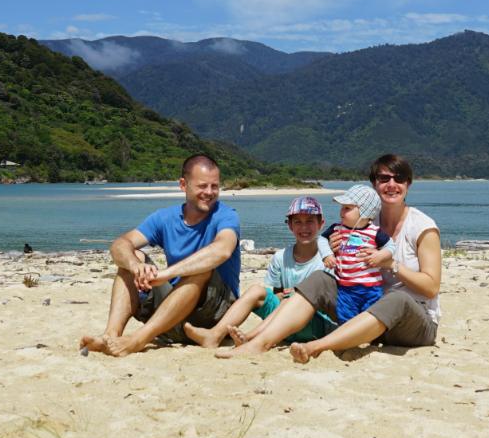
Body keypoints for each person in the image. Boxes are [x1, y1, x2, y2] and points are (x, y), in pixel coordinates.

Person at [217, 153, 441, 362]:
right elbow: (342, 264)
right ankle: (259, 342)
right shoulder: (360, 222)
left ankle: (315, 348)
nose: (391, 184)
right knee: (320, 279)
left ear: (408, 184)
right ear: (374, 185)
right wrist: (333, 252)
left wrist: (391, 264)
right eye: (384, 178)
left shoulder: (422, 227)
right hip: (366, 313)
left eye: (399, 178)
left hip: (413, 322)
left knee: (397, 298)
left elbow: (431, 287)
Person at [78, 153, 240, 357]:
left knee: (202, 270)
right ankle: (110, 336)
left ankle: (138, 339)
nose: (209, 192)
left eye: (214, 186)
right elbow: (119, 245)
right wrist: (135, 265)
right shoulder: (164, 218)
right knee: (133, 255)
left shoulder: (226, 215)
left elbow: (222, 249)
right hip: (173, 312)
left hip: (212, 313)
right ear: (183, 185)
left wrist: (165, 274)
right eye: (202, 186)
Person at [183, 195, 335, 348]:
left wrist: (296, 297)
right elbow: (277, 294)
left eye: (310, 221)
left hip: (315, 323)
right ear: (290, 225)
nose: (304, 228)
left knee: (292, 300)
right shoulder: (281, 257)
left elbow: (331, 302)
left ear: (321, 224)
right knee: (257, 290)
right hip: (281, 322)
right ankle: (215, 334)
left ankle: (250, 338)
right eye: (298, 222)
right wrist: (285, 296)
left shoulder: (328, 259)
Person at [322, 184, 391, 323]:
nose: (342, 212)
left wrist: (381, 255)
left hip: (371, 287)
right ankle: (348, 338)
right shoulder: (337, 228)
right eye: (342, 207)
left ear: (365, 211)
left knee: (370, 316)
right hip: (345, 287)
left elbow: (391, 245)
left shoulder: (374, 232)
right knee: (345, 317)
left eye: (347, 208)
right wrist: (327, 254)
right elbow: (321, 239)